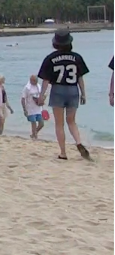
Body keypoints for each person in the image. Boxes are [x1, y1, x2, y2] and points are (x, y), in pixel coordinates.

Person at [37, 29, 91, 160]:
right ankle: (78, 142)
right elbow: (80, 78)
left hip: (58, 90)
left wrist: (42, 95)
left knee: (59, 124)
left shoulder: (50, 58)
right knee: (72, 121)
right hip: (73, 90)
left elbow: (46, 80)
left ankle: (63, 153)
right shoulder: (77, 57)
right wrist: (83, 93)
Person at [21, 74, 44, 140]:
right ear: (31, 80)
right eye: (34, 81)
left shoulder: (38, 86)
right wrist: (24, 110)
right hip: (30, 108)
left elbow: (42, 95)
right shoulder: (27, 88)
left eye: (37, 80)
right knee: (33, 122)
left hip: (38, 108)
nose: (36, 82)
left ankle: (34, 134)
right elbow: (23, 99)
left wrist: (42, 100)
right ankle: (35, 136)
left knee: (41, 123)